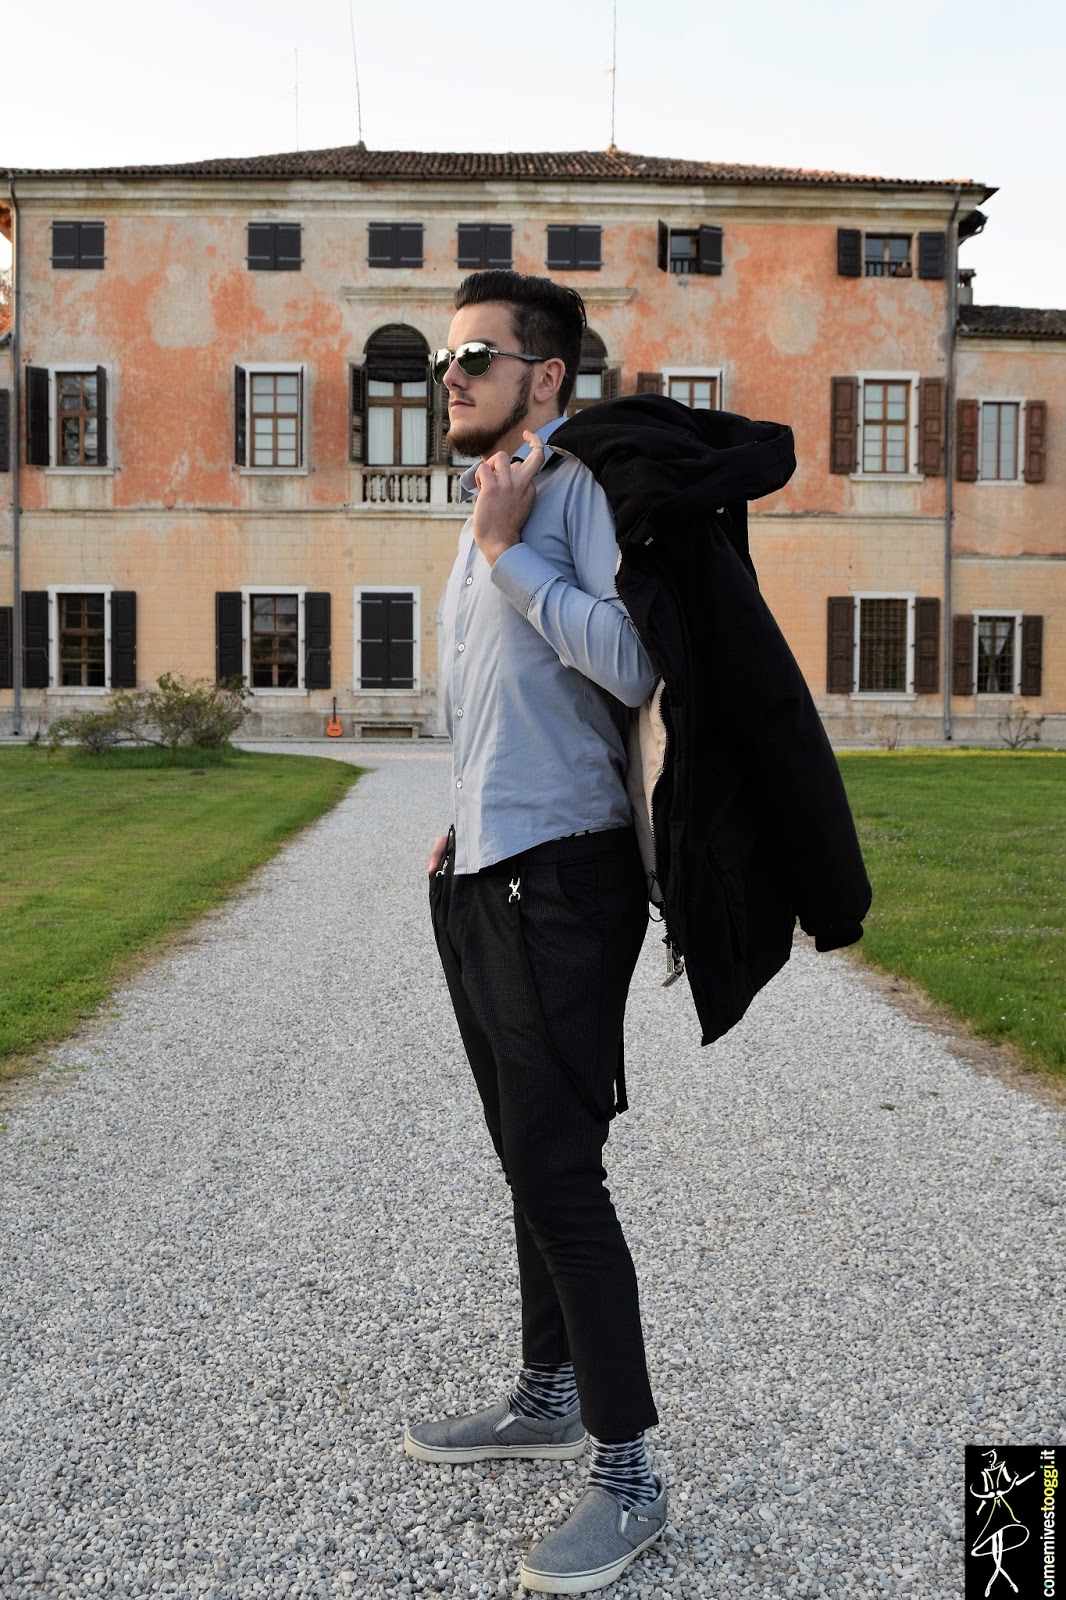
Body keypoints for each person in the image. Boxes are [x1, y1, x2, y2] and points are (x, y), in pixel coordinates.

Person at [403, 269, 667, 1595]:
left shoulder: (575, 493)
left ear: (546, 377)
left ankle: (629, 1478)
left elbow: (633, 663)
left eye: (475, 358)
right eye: (442, 360)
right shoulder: (492, 494)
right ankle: (545, 1396)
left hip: (565, 881)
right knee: (524, 1155)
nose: (447, 377)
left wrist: (511, 556)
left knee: (561, 1172)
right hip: (486, 871)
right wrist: (463, 818)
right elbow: (498, 697)